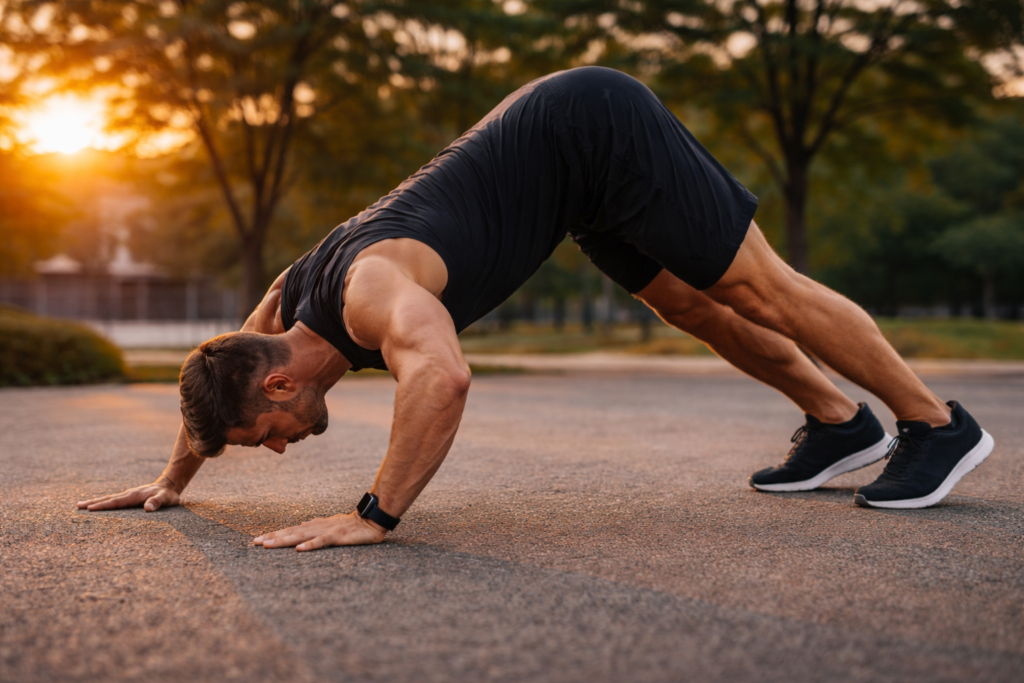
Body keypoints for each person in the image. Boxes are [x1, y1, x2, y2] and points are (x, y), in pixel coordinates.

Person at [77, 67, 994, 550]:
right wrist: (175, 477)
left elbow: (443, 376)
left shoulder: (370, 294)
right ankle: (838, 423)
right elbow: (214, 374)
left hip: (595, 128)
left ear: (280, 384)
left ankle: (935, 425)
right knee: (695, 306)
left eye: (263, 436)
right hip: (571, 184)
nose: (277, 448)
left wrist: (374, 514)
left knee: (759, 285)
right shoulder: (281, 312)